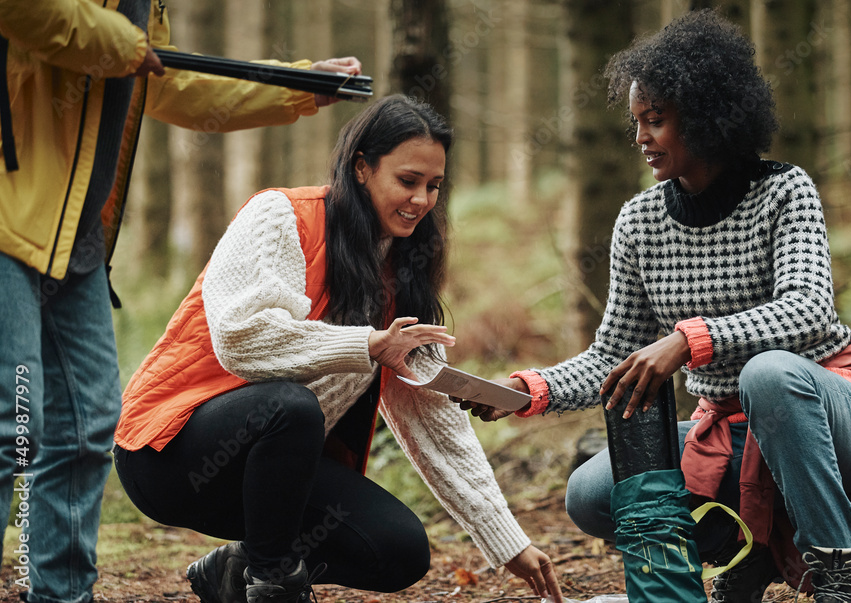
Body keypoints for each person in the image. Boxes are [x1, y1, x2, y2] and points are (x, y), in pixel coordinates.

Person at [456, 10, 851, 603]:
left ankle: (841, 576)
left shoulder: (785, 191)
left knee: (770, 374)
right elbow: (613, 353)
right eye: (635, 122)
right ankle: (747, 552)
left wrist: (690, 339)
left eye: (655, 121)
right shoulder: (639, 223)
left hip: (832, 412)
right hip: (733, 433)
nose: (640, 138)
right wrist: (527, 391)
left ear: (706, 115)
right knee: (590, 491)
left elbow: (809, 309)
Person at [0, 0, 364, 602]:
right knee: (10, 422)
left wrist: (297, 85)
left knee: (83, 427)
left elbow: (167, 83)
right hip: (8, 214)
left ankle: (58, 594)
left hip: (76, 235)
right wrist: (117, 43)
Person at [113, 95, 563, 603]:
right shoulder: (281, 216)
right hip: (168, 455)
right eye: (408, 181)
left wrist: (505, 539)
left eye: (434, 186)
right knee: (290, 407)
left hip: (273, 481)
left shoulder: (399, 273)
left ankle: (238, 570)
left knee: (399, 550)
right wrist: (368, 343)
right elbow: (242, 340)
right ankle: (275, 586)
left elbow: (431, 415)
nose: (422, 200)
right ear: (362, 168)